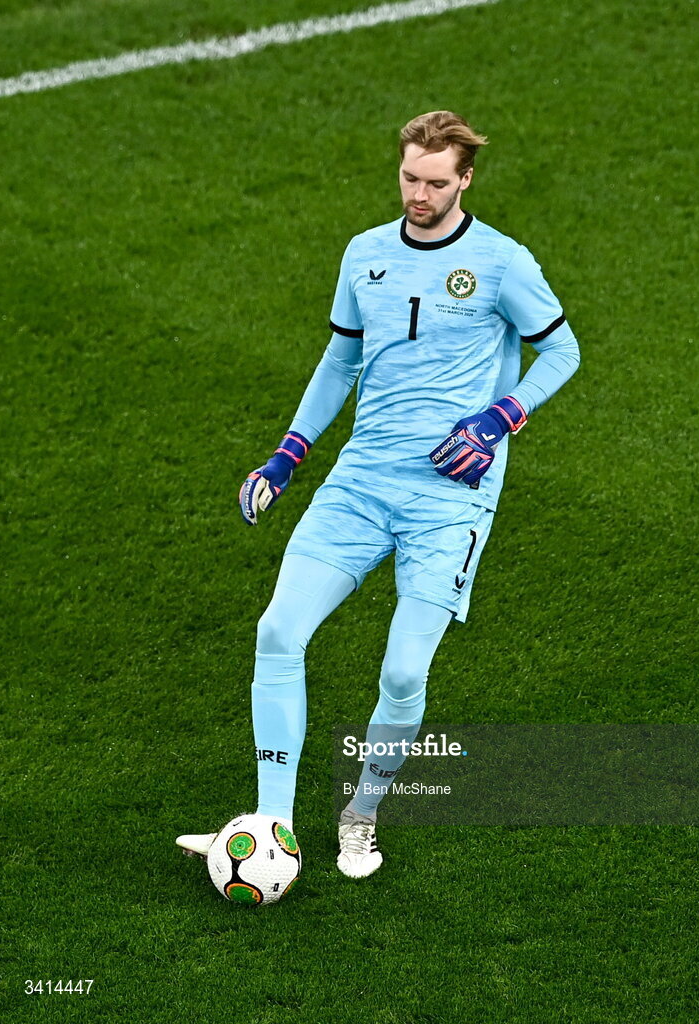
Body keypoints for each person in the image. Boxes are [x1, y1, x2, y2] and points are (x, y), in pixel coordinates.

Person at [177, 110, 580, 880]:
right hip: (360, 480)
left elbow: (561, 348)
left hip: (450, 497)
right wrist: (287, 456)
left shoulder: (501, 262)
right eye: (409, 178)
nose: (419, 195)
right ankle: (272, 826)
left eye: (436, 182)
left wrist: (502, 417)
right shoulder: (365, 254)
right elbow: (339, 362)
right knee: (277, 631)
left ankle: (359, 816)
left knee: (401, 675)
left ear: (465, 179)